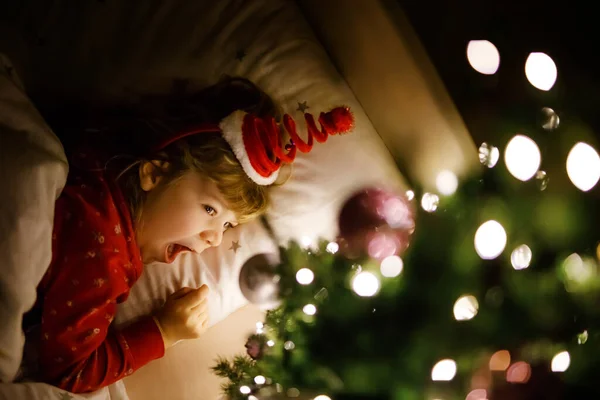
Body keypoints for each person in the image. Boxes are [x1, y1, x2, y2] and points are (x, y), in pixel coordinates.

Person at [23, 76, 354, 393]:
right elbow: (71, 371)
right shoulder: (103, 251)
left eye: (227, 225)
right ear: (153, 172)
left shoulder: (97, 166)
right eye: (210, 210)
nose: (215, 239)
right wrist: (163, 330)